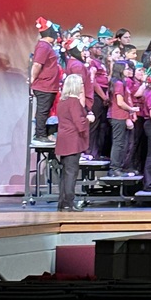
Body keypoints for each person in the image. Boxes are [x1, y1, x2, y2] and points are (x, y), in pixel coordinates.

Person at [54, 73, 91, 211]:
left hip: (64, 140)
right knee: (71, 173)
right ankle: (69, 203)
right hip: (72, 141)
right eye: (81, 84)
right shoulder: (73, 102)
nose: (83, 86)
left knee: (66, 173)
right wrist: (88, 119)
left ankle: (63, 203)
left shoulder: (62, 102)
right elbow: (79, 123)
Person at [30, 18, 61, 142]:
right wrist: (33, 79)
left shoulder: (47, 46)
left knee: (45, 110)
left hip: (50, 85)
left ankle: (44, 134)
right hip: (44, 85)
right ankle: (40, 135)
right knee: (42, 111)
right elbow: (37, 64)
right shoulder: (43, 46)